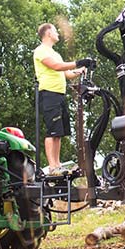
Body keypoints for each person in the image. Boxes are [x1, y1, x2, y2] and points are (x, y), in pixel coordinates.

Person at [33, 22, 92, 175]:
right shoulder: (40, 51)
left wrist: (79, 70)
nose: (57, 34)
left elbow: (67, 73)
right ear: (48, 34)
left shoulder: (56, 54)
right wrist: (78, 62)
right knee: (52, 131)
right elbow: (56, 67)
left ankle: (58, 163)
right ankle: (52, 166)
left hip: (60, 94)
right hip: (48, 94)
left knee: (59, 132)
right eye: (55, 31)